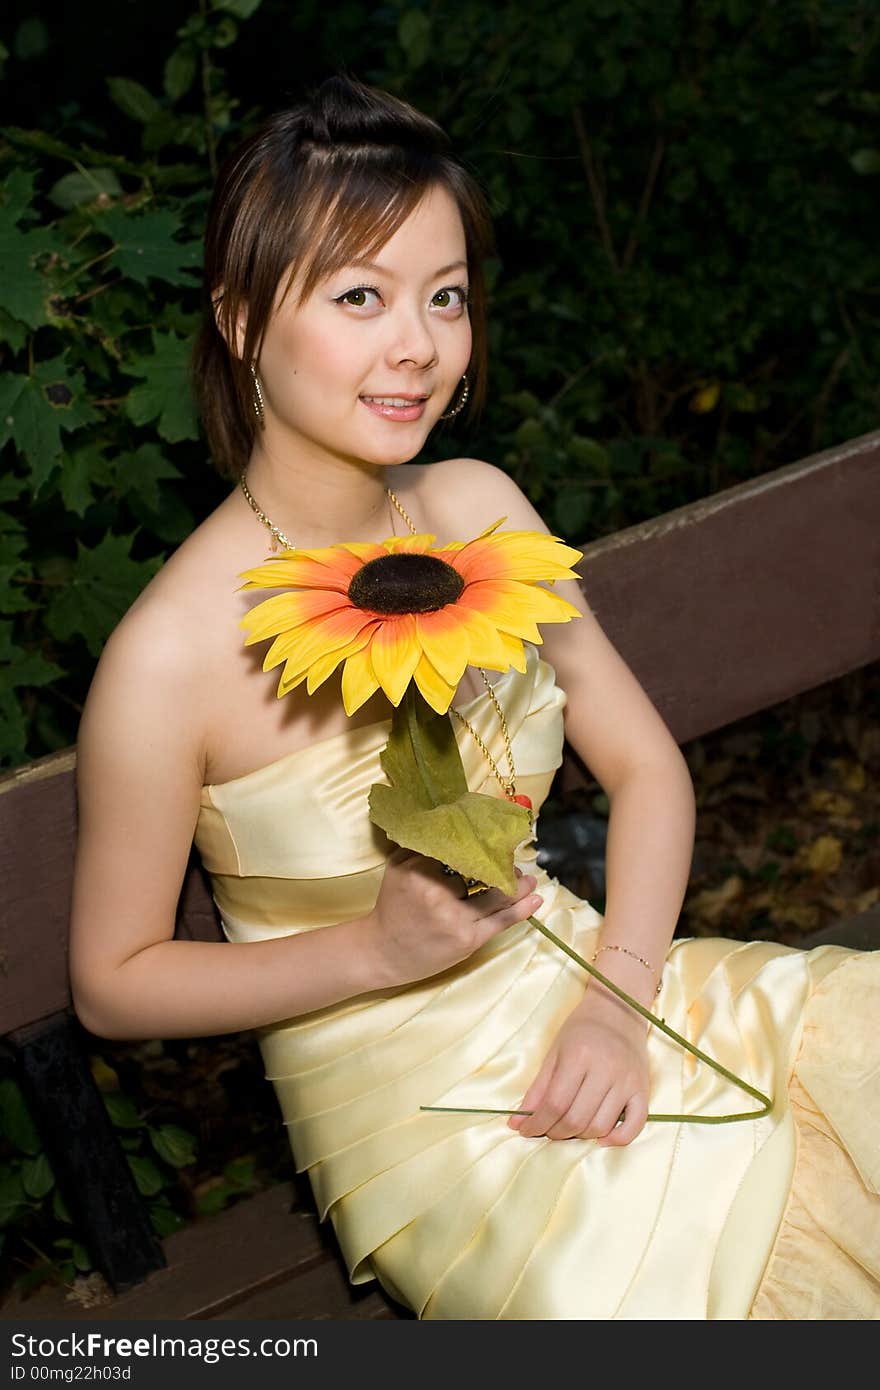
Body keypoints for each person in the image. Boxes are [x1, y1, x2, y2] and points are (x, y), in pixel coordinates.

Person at [68, 72, 879, 1321]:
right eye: (359, 297)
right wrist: (372, 946)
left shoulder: (474, 507)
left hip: (603, 992)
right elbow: (113, 980)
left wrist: (616, 1006)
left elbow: (648, 771)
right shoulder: (169, 655)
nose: (418, 344)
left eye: (443, 295)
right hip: (443, 1129)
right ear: (238, 319)